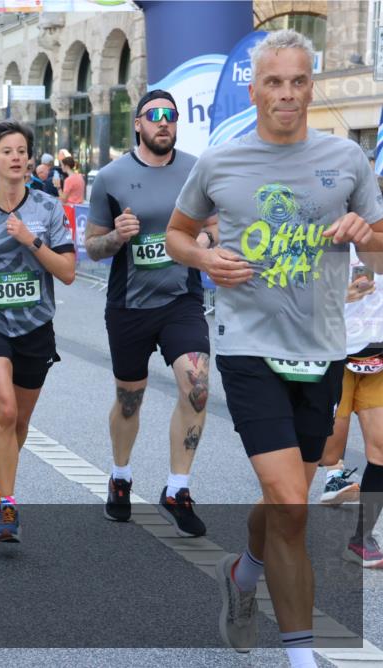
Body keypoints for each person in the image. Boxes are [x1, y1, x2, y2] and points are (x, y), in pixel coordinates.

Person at [165, 30, 383, 667]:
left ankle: (243, 572)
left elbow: (379, 246)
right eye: (274, 82)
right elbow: (179, 234)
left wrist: (363, 232)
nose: (286, 94)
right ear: (254, 88)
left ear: (310, 86)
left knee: (286, 500)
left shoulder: (346, 159)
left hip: (322, 350)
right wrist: (206, 258)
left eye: (297, 82)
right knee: (291, 504)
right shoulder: (221, 162)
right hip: (248, 346)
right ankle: (302, 657)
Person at [85, 89, 217, 537]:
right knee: (130, 398)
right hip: (129, 304)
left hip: (181, 300)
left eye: (171, 116)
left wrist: (204, 242)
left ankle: (177, 488)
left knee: (197, 385)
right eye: (154, 115)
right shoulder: (111, 176)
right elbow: (92, 244)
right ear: (138, 124)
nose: (164, 122)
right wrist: (117, 238)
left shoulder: (196, 170)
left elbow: (215, 229)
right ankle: (120, 477)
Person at [0, 121, 76, 542]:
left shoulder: (47, 208)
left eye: (22, 150)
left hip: (35, 327)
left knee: (21, 420)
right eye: (6, 151)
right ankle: (8, 505)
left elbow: (67, 272)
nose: (16, 157)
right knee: (6, 411)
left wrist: (31, 241)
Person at [317, 250, 382, 566]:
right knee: (324, 454)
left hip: (378, 358)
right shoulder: (332, 234)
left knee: (382, 449)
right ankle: (270, 537)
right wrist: (340, 295)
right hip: (335, 355)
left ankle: (361, 538)